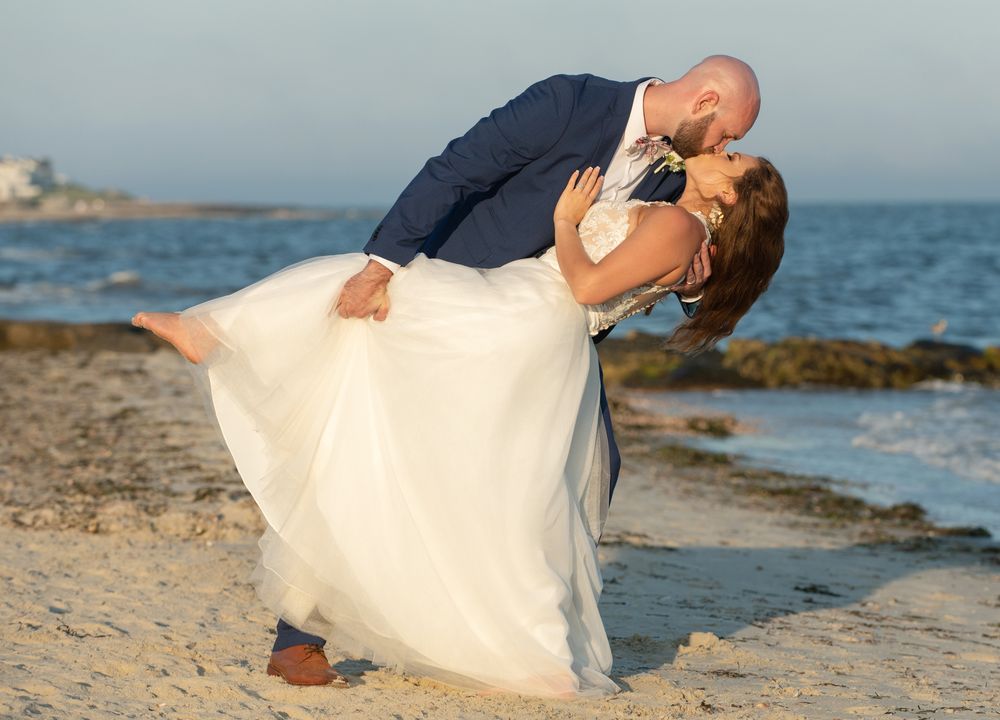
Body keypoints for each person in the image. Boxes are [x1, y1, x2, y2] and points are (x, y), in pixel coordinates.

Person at [131, 142, 788, 696]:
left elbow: (588, 287)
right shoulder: (678, 214)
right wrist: (687, 281)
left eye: (733, 159)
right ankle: (522, 649)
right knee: (512, 494)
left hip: (533, 315)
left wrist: (566, 220)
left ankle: (216, 333)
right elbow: (640, 275)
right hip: (537, 323)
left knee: (386, 289)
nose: (721, 150)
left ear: (728, 198)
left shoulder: (679, 227)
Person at [256, 56, 764, 687]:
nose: (726, 146)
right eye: (728, 135)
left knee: (588, 464)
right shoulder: (569, 103)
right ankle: (298, 638)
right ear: (706, 100)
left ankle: (523, 626)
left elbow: (666, 250)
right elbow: (455, 171)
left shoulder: (675, 167)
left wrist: (692, 281)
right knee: (387, 458)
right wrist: (383, 266)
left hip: (547, 338)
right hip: (465, 301)